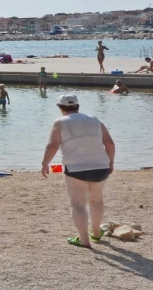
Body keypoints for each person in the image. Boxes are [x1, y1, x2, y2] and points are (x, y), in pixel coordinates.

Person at [40, 93, 116, 249]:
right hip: (101, 166)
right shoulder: (95, 120)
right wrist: (110, 162)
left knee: (77, 204)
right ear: (77, 106)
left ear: (60, 107)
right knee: (96, 200)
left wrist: (45, 163)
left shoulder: (59, 122)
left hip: (75, 168)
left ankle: (84, 240)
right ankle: (96, 233)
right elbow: (109, 143)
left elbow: (52, 146)